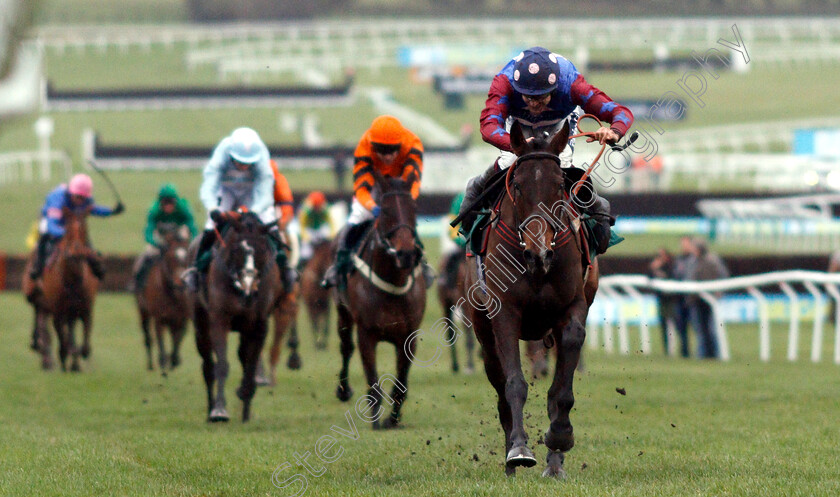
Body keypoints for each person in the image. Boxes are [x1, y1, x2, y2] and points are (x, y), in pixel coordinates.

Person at [459, 46, 634, 254]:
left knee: (562, 168)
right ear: (517, 87)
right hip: (518, 122)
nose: (534, 104)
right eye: (528, 97)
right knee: (508, 162)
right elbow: (488, 127)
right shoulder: (503, 82)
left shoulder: (572, 84)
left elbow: (620, 112)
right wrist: (516, 145)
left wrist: (614, 131)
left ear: (555, 88)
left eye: (541, 97)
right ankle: (477, 188)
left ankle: (597, 206)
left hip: (558, 121)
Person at [321, 115, 432, 288]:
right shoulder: (364, 147)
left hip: (400, 185)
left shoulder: (413, 144)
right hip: (374, 186)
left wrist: (404, 202)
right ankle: (339, 264)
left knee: (404, 217)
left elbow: (414, 182)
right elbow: (361, 190)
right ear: (373, 146)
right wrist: (373, 208)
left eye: (392, 151)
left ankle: (422, 264)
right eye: (381, 151)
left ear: (401, 144)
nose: (387, 157)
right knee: (358, 215)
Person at [182, 127, 293, 291]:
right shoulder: (222, 151)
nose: (244, 166)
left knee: (270, 223)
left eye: (249, 163)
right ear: (231, 154)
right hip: (226, 190)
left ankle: (285, 269)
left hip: (251, 192)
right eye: (240, 161)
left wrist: (254, 211)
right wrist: (213, 208)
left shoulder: (262, 155)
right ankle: (196, 269)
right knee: (210, 226)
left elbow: (265, 190)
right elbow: (209, 185)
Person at [29, 173, 124, 283]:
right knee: (45, 236)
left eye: (83, 198)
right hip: (51, 220)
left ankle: (96, 269)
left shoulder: (86, 199)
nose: (80, 201)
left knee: (83, 241)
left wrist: (112, 211)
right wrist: (64, 233)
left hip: (71, 224)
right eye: (78, 197)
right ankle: (38, 267)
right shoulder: (57, 199)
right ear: (71, 192)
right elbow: (51, 225)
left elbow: (94, 209)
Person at [130, 183, 198, 292]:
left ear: (175, 201)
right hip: (161, 237)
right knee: (146, 255)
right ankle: (137, 282)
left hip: (179, 236)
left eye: (171, 202)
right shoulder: (154, 210)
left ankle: (196, 280)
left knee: (188, 255)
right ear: (160, 202)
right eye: (165, 202)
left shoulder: (183, 208)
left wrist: (191, 244)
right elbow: (148, 233)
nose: (168, 206)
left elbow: (192, 228)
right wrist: (157, 244)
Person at [686, 238, 729, 359]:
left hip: (710, 299)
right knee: (700, 330)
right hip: (696, 300)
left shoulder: (712, 260)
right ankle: (703, 355)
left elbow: (723, 275)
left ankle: (713, 355)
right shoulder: (692, 260)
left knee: (711, 330)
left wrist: (719, 292)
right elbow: (688, 278)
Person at [649, 248, 677, 356]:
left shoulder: (672, 266)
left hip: (672, 301)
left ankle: (679, 350)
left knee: (674, 325)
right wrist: (653, 268)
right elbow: (649, 277)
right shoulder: (658, 266)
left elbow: (672, 277)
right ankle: (667, 350)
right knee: (664, 326)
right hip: (662, 301)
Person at [298, 191, 336, 264]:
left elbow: (331, 224)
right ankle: (302, 265)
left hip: (320, 228)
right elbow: (302, 226)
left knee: (326, 232)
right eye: (316, 206)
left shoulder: (325, 208)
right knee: (305, 251)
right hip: (309, 229)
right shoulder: (306, 209)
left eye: (319, 206)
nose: (317, 208)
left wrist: (331, 235)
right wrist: (306, 237)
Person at [440, 191, 467, 287]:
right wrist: (460, 240)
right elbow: (453, 225)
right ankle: (446, 279)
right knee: (451, 253)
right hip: (463, 238)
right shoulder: (460, 199)